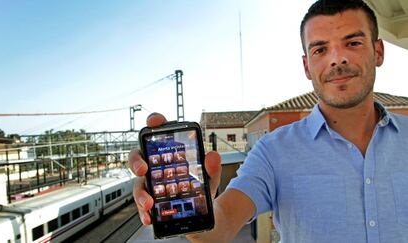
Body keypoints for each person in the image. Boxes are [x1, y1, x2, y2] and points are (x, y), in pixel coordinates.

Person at [129, 0, 408, 242]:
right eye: (320, 50)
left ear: (379, 51)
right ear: (306, 66)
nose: (337, 59)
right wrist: (193, 207)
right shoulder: (273, 152)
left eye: (353, 42)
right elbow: (221, 226)